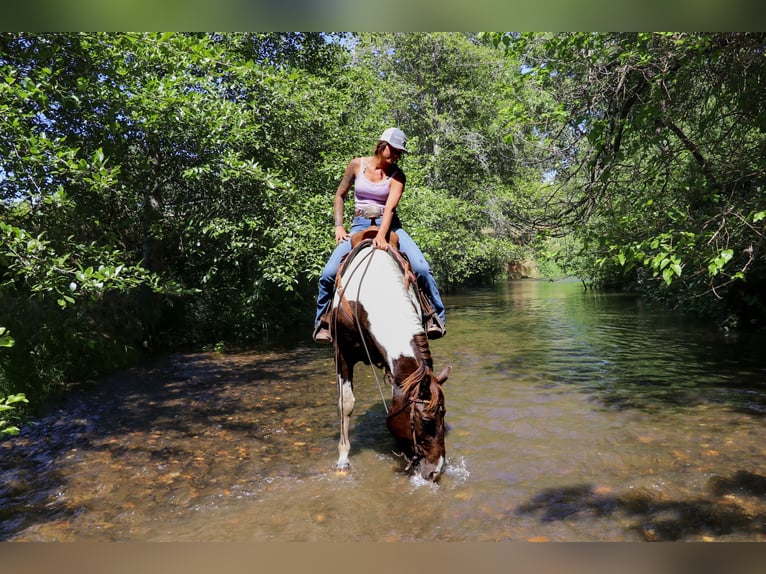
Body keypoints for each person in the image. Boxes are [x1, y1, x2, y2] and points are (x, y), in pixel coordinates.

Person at [313, 127, 446, 344]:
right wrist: (339, 226)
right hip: (358, 226)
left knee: (421, 267)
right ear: (382, 145)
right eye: (393, 151)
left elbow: (390, 208)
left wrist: (383, 235)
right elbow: (339, 195)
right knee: (328, 274)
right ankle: (323, 322)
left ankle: (435, 317)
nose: (395, 156)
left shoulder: (398, 176)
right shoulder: (357, 165)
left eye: (398, 153)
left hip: (391, 226)